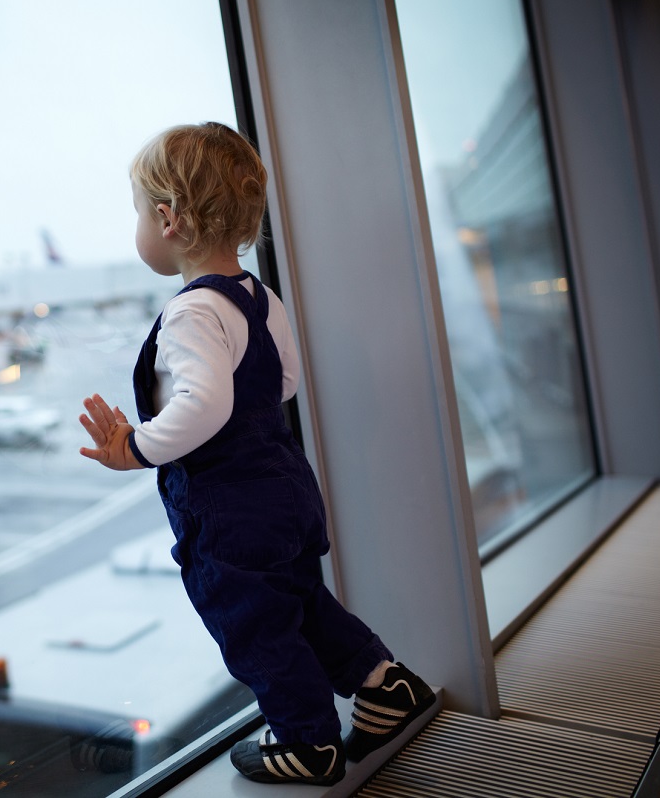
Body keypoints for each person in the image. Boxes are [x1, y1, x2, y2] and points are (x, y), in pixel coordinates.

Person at [78, 122, 435, 786]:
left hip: (233, 508)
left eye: (137, 212)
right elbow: (285, 381)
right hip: (286, 486)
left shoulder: (191, 314)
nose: (137, 226)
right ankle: (387, 687)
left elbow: (205, 405)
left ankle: (308, 741)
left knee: (252, 625)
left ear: (169, 219)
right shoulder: (256, 297)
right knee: (300, 601)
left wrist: (139, 446)